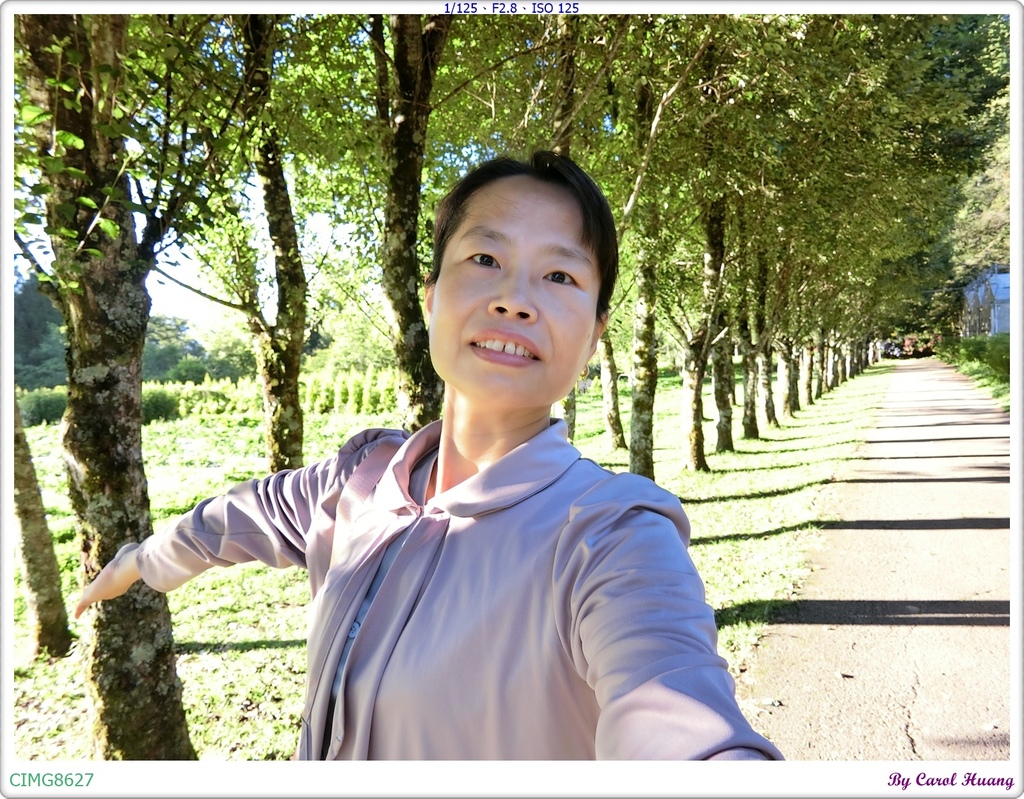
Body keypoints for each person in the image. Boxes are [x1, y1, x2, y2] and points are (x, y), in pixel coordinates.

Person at [75, 151, 783, 761]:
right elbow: (247, 513)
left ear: (596, 334)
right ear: (431, 296)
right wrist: (144, 560)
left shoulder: (609, 536)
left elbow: (675, 711)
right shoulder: (362, 479)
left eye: (561, 276)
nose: (515, 300)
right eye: (485, 259)